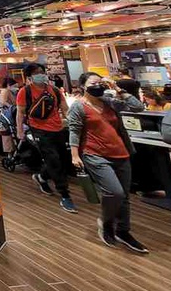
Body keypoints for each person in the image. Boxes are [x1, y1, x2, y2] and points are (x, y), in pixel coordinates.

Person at [68, 72, 148, 252]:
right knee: (114, 192)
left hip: (121, 152)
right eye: (93, 83)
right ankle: (106, 222)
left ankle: (123, 230)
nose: (97, 85)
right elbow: (74, 130)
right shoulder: (79, 107)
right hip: (94, 154)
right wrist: (75, 155)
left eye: (100, 82)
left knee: (125, 196)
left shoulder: (110, 102)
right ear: (83, 86)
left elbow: (138, 107)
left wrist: (118, 89)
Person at [16, 63, 76, 213]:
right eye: (36, 73)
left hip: (58, 128)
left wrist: (73, 122)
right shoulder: (25, 92)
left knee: (62, 158)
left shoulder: (54, 90)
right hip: (39, 130)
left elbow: (64, 108)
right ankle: (65, 195)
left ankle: (42, 177)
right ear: (29, 77)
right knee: (53, 159)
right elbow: (20, 113)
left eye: (42, 72)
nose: (40, 75)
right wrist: (19, 131)